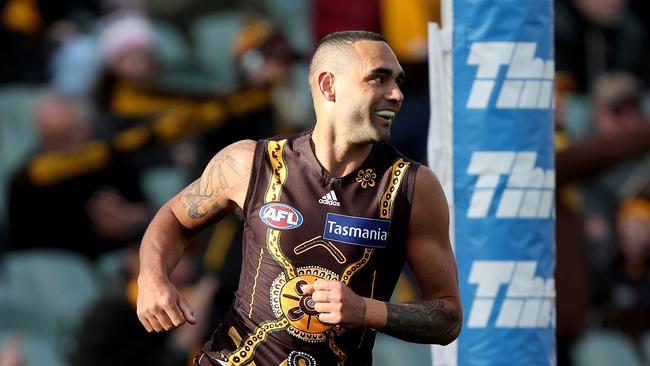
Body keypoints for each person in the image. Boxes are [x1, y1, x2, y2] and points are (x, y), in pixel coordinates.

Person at [136, 30, 462, 365]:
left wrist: (365, 310)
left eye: (398, 81)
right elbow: (175, 218)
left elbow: (448, 316)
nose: (396, 94)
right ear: (328, 85)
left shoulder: (414, 186)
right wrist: (152, 276)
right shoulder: (249, 162)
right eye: (378, 79)